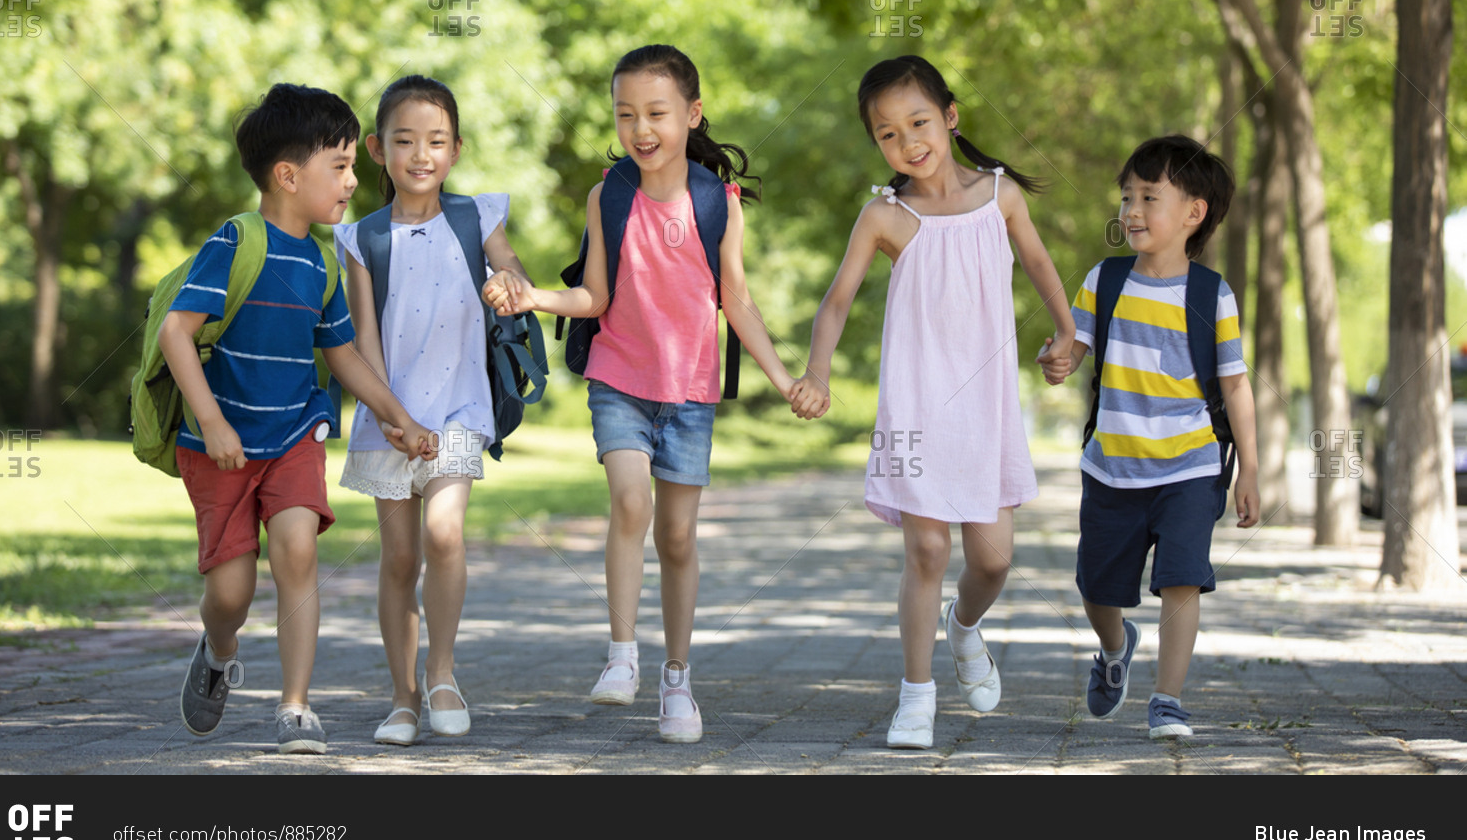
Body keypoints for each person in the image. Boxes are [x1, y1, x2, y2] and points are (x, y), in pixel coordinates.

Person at [483, 44, 802, 742]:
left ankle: (678, 682)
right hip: (621, 378)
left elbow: (739, 306)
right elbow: (596, 296)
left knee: (678, 537)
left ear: (691, 115)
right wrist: (532, 295)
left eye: (656, 112)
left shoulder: (720, 203)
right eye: (626, 114)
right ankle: (622, 656)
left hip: (689, 392)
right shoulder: (611, 194)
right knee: (631, 502)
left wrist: (786, 381)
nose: (640, 127)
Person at [791, 55, 1076, 749]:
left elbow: (1038, 263)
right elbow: (836, 302)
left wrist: (1066, 331)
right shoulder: (885, 216)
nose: (907, 142)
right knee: (924, 548)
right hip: (914, 404)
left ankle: (966, 628)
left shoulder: (1000, 197)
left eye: (918, 122)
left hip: (985, 406)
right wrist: (817, 374)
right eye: (887, 134)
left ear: (949, 117)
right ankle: (915, 695)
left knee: (994, 560)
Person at [160, 83, 437, 755]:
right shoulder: (236, 242)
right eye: (339, 166)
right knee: (230, 594)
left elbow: (342, 354)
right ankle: (220, 650)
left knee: (298, 549)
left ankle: (295, 706)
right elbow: (175, 332)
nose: (352, 180)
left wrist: (399, 417)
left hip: (293, 436)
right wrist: (213, 421)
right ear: (288, 175)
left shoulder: (320, 261)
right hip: (219, 445)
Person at [333, 75, 533, 746]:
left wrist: (510, 284)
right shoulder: (361, 238)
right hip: (389, 413)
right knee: (398, 558)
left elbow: (512, 274)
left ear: (456, 149)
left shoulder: (478, 217)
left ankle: (443, 673)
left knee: (444, 534)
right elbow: (363, 340)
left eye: (437, 141)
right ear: (376, 149)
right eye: (406, 140)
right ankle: (403, 696)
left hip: (458, 406)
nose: (422, 153)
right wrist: (391, 416)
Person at [1038, 134, 1259, 739]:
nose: (1131, 210)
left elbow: (1237, 388)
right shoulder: (1105, 281)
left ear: (1194, 213)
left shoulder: (1212, 296)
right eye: (1126, 196)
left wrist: (1251, 475)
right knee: (1095, 586)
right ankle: (1115, 648)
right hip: (1112, 467)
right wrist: (1057, 360)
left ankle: (1168, 700)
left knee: (1182, 578)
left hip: (1190, 467)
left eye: (1148, 197)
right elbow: (1073, 349)